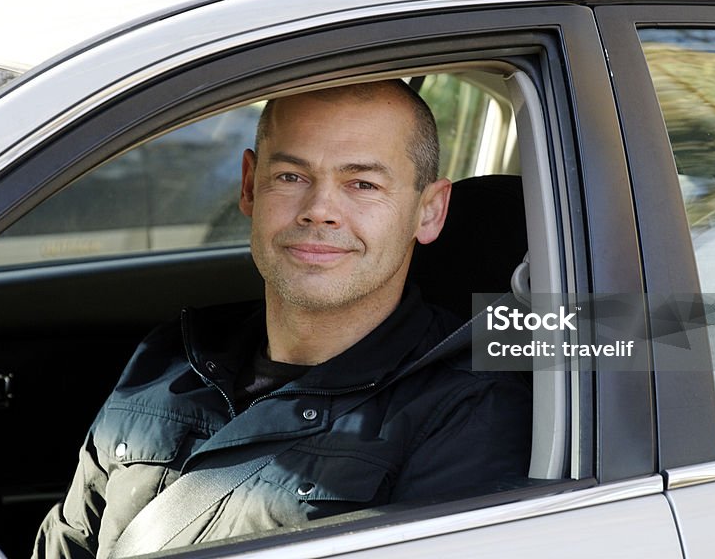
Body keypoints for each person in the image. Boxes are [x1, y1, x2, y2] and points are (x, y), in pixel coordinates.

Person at [33, 79, 532, 559]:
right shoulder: (170, 359)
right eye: (291, 177)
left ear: (429, 211)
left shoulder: (465, 410)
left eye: (362, 183)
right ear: (250, 186)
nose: (319, 210)